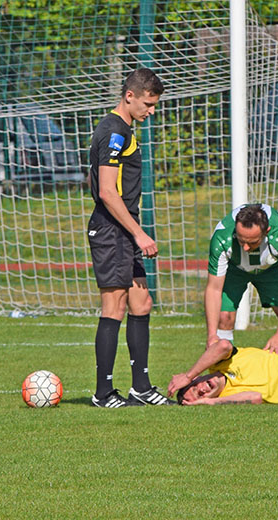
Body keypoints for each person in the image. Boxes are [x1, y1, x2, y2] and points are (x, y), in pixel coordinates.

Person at [86, 68, 173, 407]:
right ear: (130, 96)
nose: (151, 111)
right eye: (148, 104)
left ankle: (141, 387)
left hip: (123, 228)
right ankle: (103, 392)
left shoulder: (123, 131)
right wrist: (138, 233)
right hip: (113, 230)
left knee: (141, 302)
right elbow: (107, 191)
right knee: (115, 305)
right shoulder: (113, 132)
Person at [205, 203, 278, 354]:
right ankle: (221, 377)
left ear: (267, 232)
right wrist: (211, 335)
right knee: (223, 318)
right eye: (241, 240)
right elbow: (214, 289)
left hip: (271, 269)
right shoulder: (222, 237)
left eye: (252, 242)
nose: (246, 248)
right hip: (234, 268)